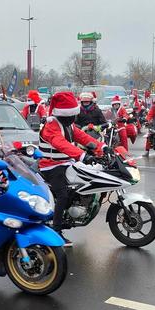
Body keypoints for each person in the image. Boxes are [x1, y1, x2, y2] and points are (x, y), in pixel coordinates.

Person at [38, 92, 104, 247]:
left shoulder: (68, 125)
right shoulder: (51, 126)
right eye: (72, 114)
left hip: (66, 163)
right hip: (51, 166)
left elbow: (83, 137)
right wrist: (82, 156)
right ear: (63, 114)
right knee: (63, 195)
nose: (74, 117)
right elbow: (61, 144)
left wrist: (102, 147)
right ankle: (57, 231)